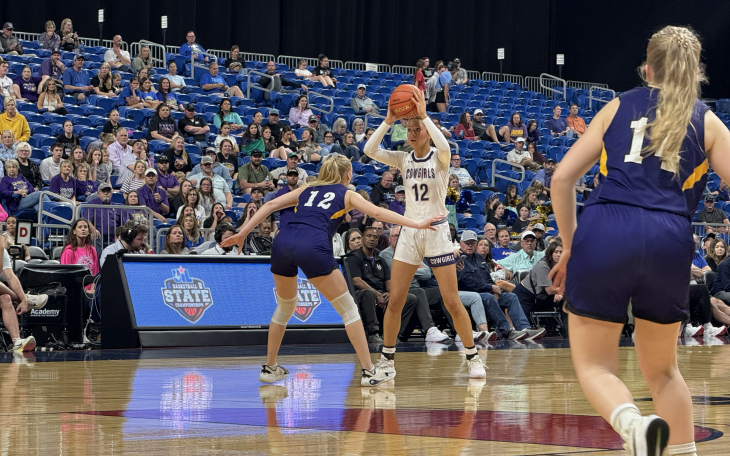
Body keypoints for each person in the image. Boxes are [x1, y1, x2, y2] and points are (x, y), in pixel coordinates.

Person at [547, 26, 726, 456]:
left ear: (647, 69)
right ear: (696, 71)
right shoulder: (709, 120)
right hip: (670, 235)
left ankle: (632, 424)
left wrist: (571, 247)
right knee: (664, 372)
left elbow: (562, 178)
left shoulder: (617, 105)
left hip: (607, 228)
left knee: (594, 363)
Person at [221, 154, 442, 386]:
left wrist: (244, 231)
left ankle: (269, 368)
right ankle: (369, 372)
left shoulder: (307, 189)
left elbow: (269, 204)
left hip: (283, 241)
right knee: (348, 308)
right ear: (348, 174)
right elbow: (377, 213)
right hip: (312, 243)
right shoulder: (347, 194)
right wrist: (416, 223)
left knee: (285, 306)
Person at [363, 90, 487, 378]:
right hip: (410, 231)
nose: (412, 133)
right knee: (396, 299)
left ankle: (473, 358)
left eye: (417, 129)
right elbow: (370, 150)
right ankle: (388, 362)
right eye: (409, 129)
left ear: (428, 132)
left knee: (452, 300)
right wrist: (388, 121)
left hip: (436, 231)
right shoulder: (404, 159)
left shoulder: (440, 158)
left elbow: (444, 143)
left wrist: (424, 116)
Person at [456, 230, 543, 340]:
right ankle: (506, 330)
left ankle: (524, 329)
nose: (470, 246)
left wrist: (495, 289)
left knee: (511, 297)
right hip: (471, 294)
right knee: (488, 297)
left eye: (472, 243)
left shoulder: (478, 258)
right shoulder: (458, 259)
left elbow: (487, 277)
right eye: (467, 243)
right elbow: (466, 281)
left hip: (486, 292)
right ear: (460, 243)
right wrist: (490, 288)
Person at [511, 238, 565, 317]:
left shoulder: (561, 266)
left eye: (561, 252)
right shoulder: (543, 266)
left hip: (541, 295)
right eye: (556, 252)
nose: (559, 255)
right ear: (551, 253)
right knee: (525, 324)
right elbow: (549, 290)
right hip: (525, 295)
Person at [60, 219, 99, 291]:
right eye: (80, 227)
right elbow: (66, 276)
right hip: (75, 291)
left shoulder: (92, 250)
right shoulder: (68, 251)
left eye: (85, 227)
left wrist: (92, 289)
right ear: (74, 231)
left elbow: (95, 273)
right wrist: (84, 291)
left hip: (92, 291)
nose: (83, 229)